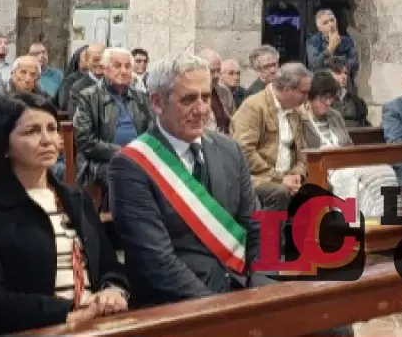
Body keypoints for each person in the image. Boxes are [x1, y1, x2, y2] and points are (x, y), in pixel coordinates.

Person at [0, 92, 129, 333]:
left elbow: (109, 266)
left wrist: (113, 290)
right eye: (32, 132)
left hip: (97, 322)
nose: (48, 140)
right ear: (4, 145)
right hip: (41, 327)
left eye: (52, 129)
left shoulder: (76, 198)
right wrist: (67, 311)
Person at [108, 53, 265, 308]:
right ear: (157, 103)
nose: (202, 109)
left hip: (244, 291)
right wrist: (219, 309)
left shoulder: (230, 150)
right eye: (188, 99)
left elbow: (259, 226)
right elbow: (156, 262)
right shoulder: (130, 166)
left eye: (206, 97)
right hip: (183, 306)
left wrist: (262, 290)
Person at [304, 70, 398, 217]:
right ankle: (374, 219)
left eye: (331, 98)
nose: (328, 102)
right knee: (361, 183)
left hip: (345, 163)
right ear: (311, 96)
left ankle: (389, 215)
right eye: (323, 98)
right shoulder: (301, 118)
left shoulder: (335, 115)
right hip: (323, 170)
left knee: (384, 170)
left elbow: (349, 145)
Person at [74, 48, 154, 199]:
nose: (123, 71)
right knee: (126, 175)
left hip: (138, 159)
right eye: (117, 66)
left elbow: (153, 132)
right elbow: (85, 141)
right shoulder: (89, 97)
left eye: (127, 66)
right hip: (100, 162)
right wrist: (122, 152)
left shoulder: (141, 98)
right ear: (105, 68)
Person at [230, 62, 312, 211]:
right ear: (287, 90)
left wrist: (297, 173)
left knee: (321, 186)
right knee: (279, 192)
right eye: (303, 92)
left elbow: (302, 151)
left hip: (287, 176)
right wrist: (279, 178)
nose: (307, 98)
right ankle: (269, 228)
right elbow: (244, 151)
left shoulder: (296, 111)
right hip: (257, 177)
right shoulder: (254, 106)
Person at [305, 8, 358, 77]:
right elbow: (314, 64)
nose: (330, 24)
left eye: (332, 20)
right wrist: (330, 48)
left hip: (343, 78)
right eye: (325, 23)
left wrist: (340, 68)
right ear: (319, 28)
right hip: (322, 80)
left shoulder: (347, 40)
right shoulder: (313, 41)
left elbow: (355, 62)